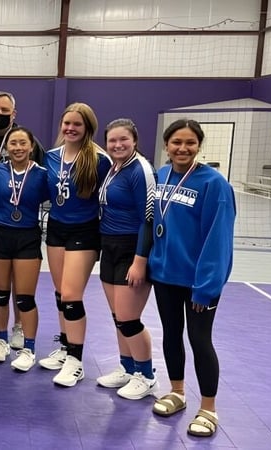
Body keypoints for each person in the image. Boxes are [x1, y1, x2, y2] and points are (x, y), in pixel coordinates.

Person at [148, 119, 235, 438]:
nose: (182, 148)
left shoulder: (214, 184)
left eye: (190, 143)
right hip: (165, 275)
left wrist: (207, 287)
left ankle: (209, 408)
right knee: (171, 334)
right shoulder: (161, 175)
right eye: (176, 143)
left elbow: (218, 239)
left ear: (199, 145)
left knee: (200, 340)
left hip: (199, 282)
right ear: (166, 146)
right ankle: (177, 392)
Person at [40, 102, 111, 387]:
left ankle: (76, 361)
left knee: (71, 294)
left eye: (77, 125)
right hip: (56, 227)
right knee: (60, 293)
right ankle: (67, 346)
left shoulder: (99, 159)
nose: (70, 128)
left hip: (85, 230)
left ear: (88, 128)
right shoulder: (51, 157)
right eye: (66, 123)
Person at [0, 91, 46, 347]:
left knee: (16, 279)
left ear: (14, 114)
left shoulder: (27, 142)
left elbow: (45, 176)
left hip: (18, 223)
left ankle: (18, 325)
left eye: (5, 111)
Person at [95, 118, 158, 399]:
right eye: (112, 141)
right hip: (110, 247)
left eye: (123, 140)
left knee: (129, 319)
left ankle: (146, 375)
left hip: (132, 248)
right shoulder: (114, 168)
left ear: (135, 141)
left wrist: (139, 260)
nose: (117, 145)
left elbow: (149, 219)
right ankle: (128, 368)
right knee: (117, 317)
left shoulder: (140, 169)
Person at [0, 127, 47, 371]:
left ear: (31, 147)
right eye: (13, 143)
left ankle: (29, 348)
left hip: (27, 237)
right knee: (0, 293)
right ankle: (1, 340)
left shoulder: (42, 174)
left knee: (25, 298)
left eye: (23, 143)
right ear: (6, 147)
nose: (18, 147)